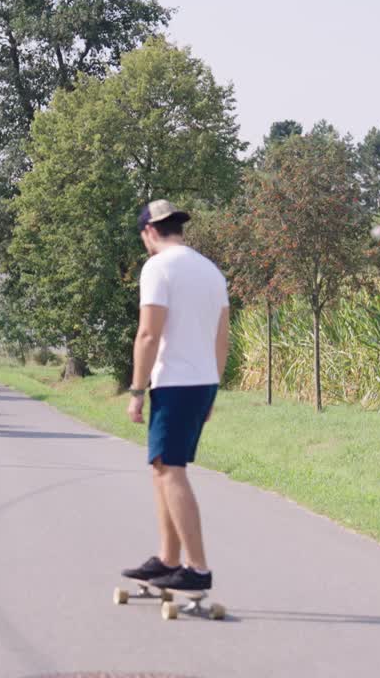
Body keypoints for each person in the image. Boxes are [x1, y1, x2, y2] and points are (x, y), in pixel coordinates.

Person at [120, 199, 230, 593]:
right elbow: (222, 337)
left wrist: (137, 390)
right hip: (200, 382)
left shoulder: (157, 268)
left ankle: (197, 568)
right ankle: (167, 559)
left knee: (171, 469)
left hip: (175, 382)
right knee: (161, 466)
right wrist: (213, 387)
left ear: (148, 232)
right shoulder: (210, 271)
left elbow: (149, 334)